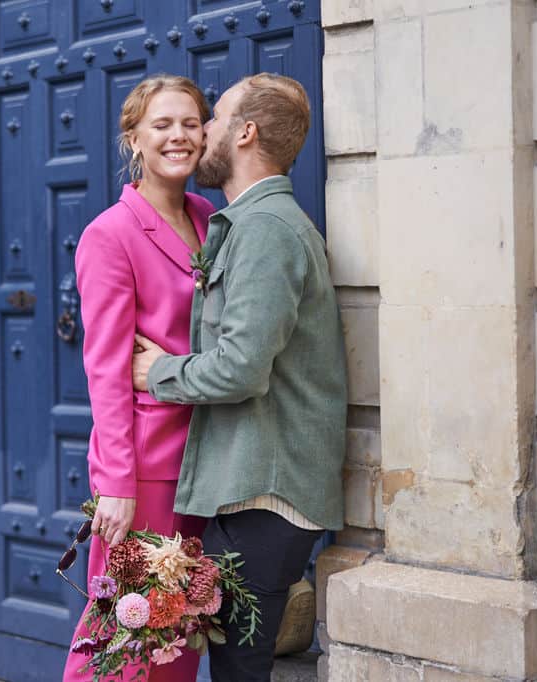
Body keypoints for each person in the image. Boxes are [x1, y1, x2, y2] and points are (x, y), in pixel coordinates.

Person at [131, 73, 348, 682]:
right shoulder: (249, 224)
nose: (202, 133)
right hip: (252, 484)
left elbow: (242, 368)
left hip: (268, 491)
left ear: (246, 132)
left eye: (215, 118)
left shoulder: (264, 231)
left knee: (239, 668)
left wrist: (156, 372)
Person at [61, 75, 215, 682]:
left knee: (180, 630)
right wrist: (116, 483)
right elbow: (105, 368)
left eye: (191, 122)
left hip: (207, 459)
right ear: (135, 139)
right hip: (147, 467)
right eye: (162, 124)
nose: (179, 136)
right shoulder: (111, 234)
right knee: (124, 635)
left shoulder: (209, 218)